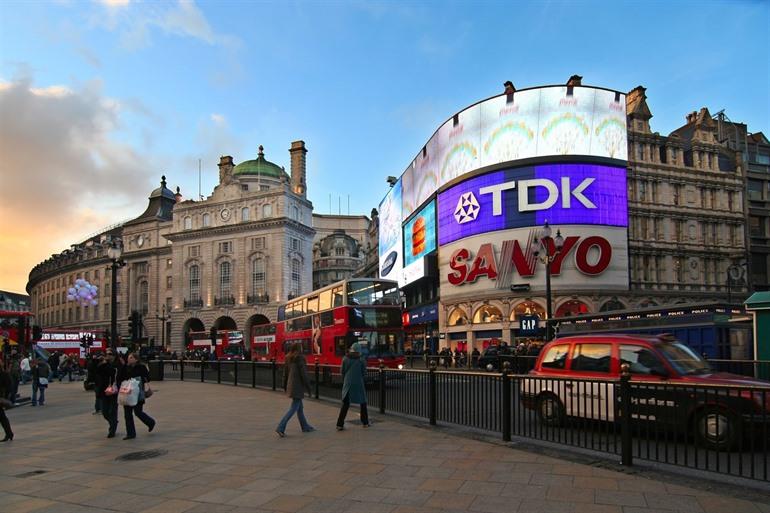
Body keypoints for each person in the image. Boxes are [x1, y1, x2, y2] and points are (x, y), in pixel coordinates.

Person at [275, 343, 314, 437]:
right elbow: (304, 374)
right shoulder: (300, 358)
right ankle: (281, 427)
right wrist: (309, 387)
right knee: (294, 408)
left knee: (299, 408)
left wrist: (284, 385)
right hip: (298, 386)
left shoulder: (288, 358)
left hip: (291, 384)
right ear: (299, 349)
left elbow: (285, 373)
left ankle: (305, 426)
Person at [119, 353, 156, 440]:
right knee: (127, 414)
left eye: (131, 357)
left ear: (136, 359)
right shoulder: (125, 367)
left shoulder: (141, 367)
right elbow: (120, 377)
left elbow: (148, 378)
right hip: (127, 392)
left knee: (138, 412)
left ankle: (150, 422)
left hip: (138, 393)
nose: (129, 359)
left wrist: (139, 379)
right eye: (128, 357)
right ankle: (130, 433)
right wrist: (123, 366)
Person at [336, 342, 369, 430]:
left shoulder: (345, 359)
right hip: (359, 384)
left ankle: (339, 424)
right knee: (363, 402)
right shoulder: (361, 360)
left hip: (348, 384)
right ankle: (365, 422)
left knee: (345, 404)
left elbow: (342, 371)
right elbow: (364, 373)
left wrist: (345, 380)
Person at [95, 350, 121, 438]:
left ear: (114, 356)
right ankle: (113, 422)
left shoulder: (117, 365)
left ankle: (112, 429)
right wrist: (100, 362)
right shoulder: (103, 365)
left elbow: (114, 373)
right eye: (106, 354)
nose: (108, 356)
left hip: (114, 391)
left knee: (112, 411)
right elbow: (96, 371)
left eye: (110, 354)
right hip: (104, 390)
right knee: (104, 411)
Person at [0, 359, 14, 441]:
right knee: (2, 418)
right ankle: (9, 434)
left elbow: (8, 387)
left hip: (1, 398)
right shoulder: (5, 374)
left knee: (2, 418)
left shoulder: (4, 374)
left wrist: (5, 397)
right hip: (1, 398)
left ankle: (9, 434)